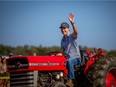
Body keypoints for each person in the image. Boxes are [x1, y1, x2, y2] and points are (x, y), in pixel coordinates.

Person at [59, 13, 81, 87]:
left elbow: (76, 32)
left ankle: (71, 80)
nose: (63, 30)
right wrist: (58, 55)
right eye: (62, 28)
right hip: (67, 58)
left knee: (70, 61)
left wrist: (72, 23)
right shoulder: (62, 40)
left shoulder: (72, 36)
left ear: (68, 29)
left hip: (76, 58)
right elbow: (62, 51)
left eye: (64, 28)